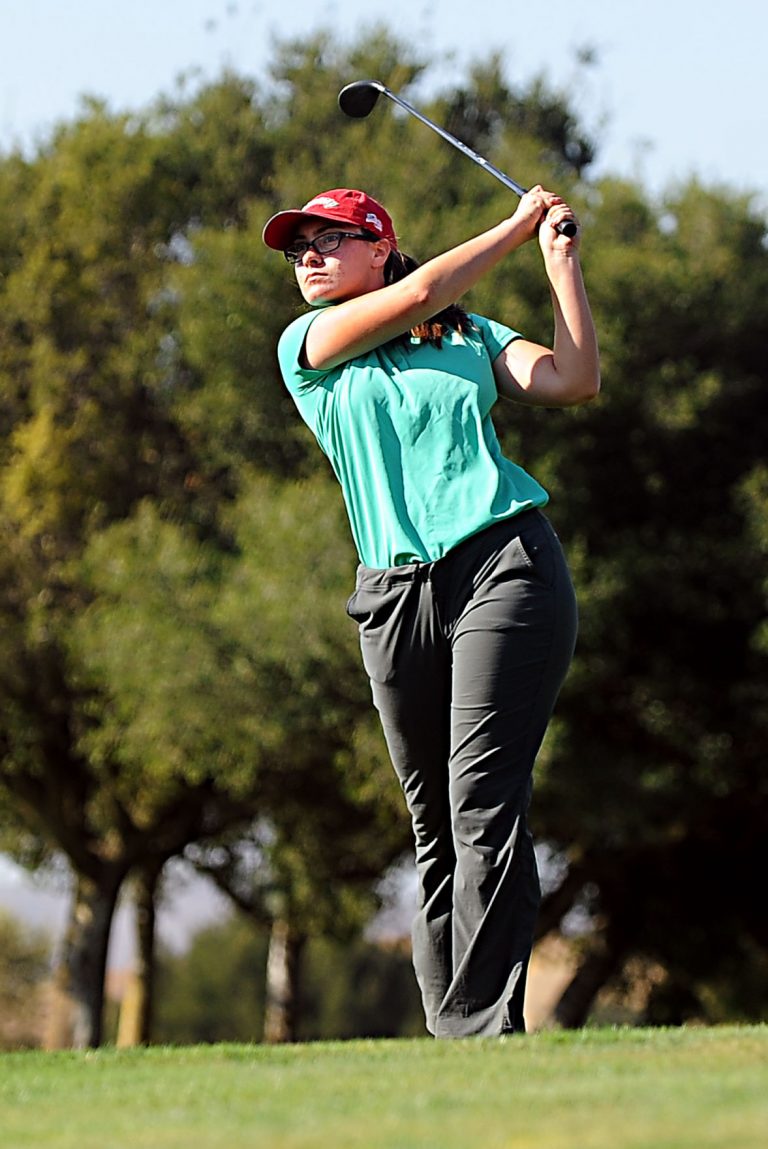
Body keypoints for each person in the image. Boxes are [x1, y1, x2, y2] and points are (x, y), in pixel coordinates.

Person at [262, 185, 600, 1037]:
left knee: (482, 798)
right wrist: (516, 226)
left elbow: (573, 379)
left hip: (503, 564)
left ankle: (482, 1030)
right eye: (299, 244)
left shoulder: (468, 333)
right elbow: (416, 294)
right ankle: (456, 1033)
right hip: (392, 591)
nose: (308, 255)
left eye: (329, 239)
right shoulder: (306, 344)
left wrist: (559, 265)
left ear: (381, 245)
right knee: (434, 823)